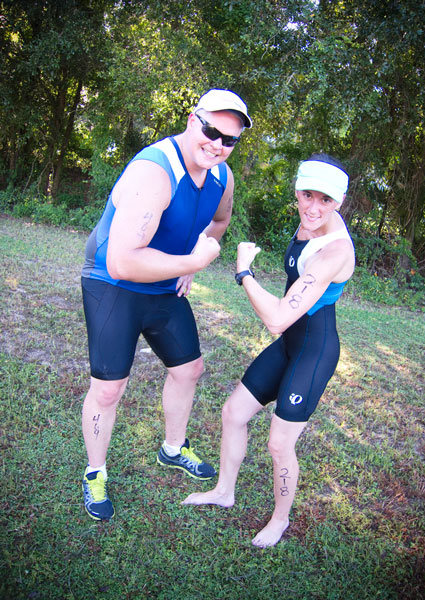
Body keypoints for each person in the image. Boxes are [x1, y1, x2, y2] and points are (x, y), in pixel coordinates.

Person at [80, 89, 252, 521]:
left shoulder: (222, 177)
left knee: (189, 369)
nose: (217, 144)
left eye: (229, 139)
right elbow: (121, 262)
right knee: (108, 389)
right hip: (112, 283)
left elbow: (220, 220)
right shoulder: (154, 172)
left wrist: (190, 259)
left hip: (163, 285)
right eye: (211, 131)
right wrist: (191, 262)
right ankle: (95, 472)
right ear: (193, 120)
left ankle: (173, 448)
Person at [183, 153, 355, 548]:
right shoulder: (309, 222)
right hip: (291, 343)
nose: (314, 208)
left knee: (279, 443)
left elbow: (277, 318)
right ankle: (224, 492)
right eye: (307, 195)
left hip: (314, 352)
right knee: (233, 413)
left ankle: (280, 520)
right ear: (297, 191)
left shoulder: (334, 252)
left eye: (325, 200)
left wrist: (244, 271)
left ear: (339, 202)